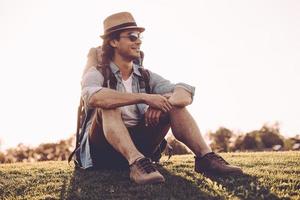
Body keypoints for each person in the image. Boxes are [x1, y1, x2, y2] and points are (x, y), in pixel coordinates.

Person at [79, 11, 243, 185]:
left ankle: (205, 158)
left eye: (139, 37)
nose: (139, 41)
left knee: (175, 105)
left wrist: (163, 102)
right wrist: (145, 98)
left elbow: (184, 92)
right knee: (109, 104)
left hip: (143, 146)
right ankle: (135, 163)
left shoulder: (146, 76)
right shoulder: (96, 73)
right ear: (113, 42)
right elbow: (93, 97)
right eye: (132, 37)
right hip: (103, 152)